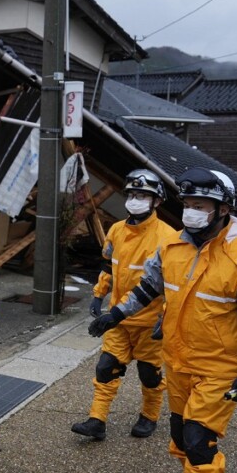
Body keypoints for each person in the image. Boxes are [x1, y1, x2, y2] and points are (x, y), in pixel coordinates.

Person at [88, 167, 237, 473]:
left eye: (202, 205)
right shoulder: (173, 248)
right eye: (189, 204)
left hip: (219, 369)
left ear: (223, 209)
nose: (192, 211)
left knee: (197, 440)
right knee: (180, 438)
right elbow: (148, 288)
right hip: (177, 362)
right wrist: (114, 314)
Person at [72, 169, 174, 441]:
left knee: (149, 374)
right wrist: (98, 294)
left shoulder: (168, 238)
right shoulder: (116, 230)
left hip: (149, 324)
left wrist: (165, 319)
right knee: (106, 367)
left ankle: (149, 415)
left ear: (157, 201)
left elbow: (172, 286)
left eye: (143, 195)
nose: (135, 200)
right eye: (132, 194)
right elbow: (109, 265)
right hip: (117, 320)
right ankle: (97, 420)